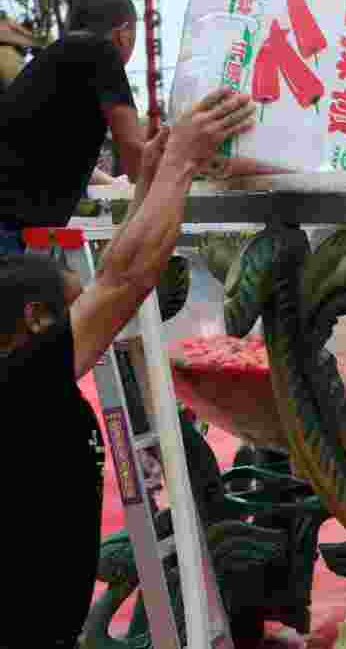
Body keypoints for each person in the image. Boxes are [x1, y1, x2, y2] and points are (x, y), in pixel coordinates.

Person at [0, 86, 256, 648]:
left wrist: (150, 181)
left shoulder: (28, 368)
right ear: (35, 321)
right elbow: (124, 280)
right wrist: (184, 164)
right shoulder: (19, 386)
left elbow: (115, 280)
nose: (94, 315)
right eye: (76, 307)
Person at [0, 0, 146, 257]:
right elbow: (135, 149)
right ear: (124, 34)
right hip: (7, 226)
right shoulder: (102, 52)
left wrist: (111, 184)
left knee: (68, 290)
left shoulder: (57, 59)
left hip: (12, 224)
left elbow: (50, 147)